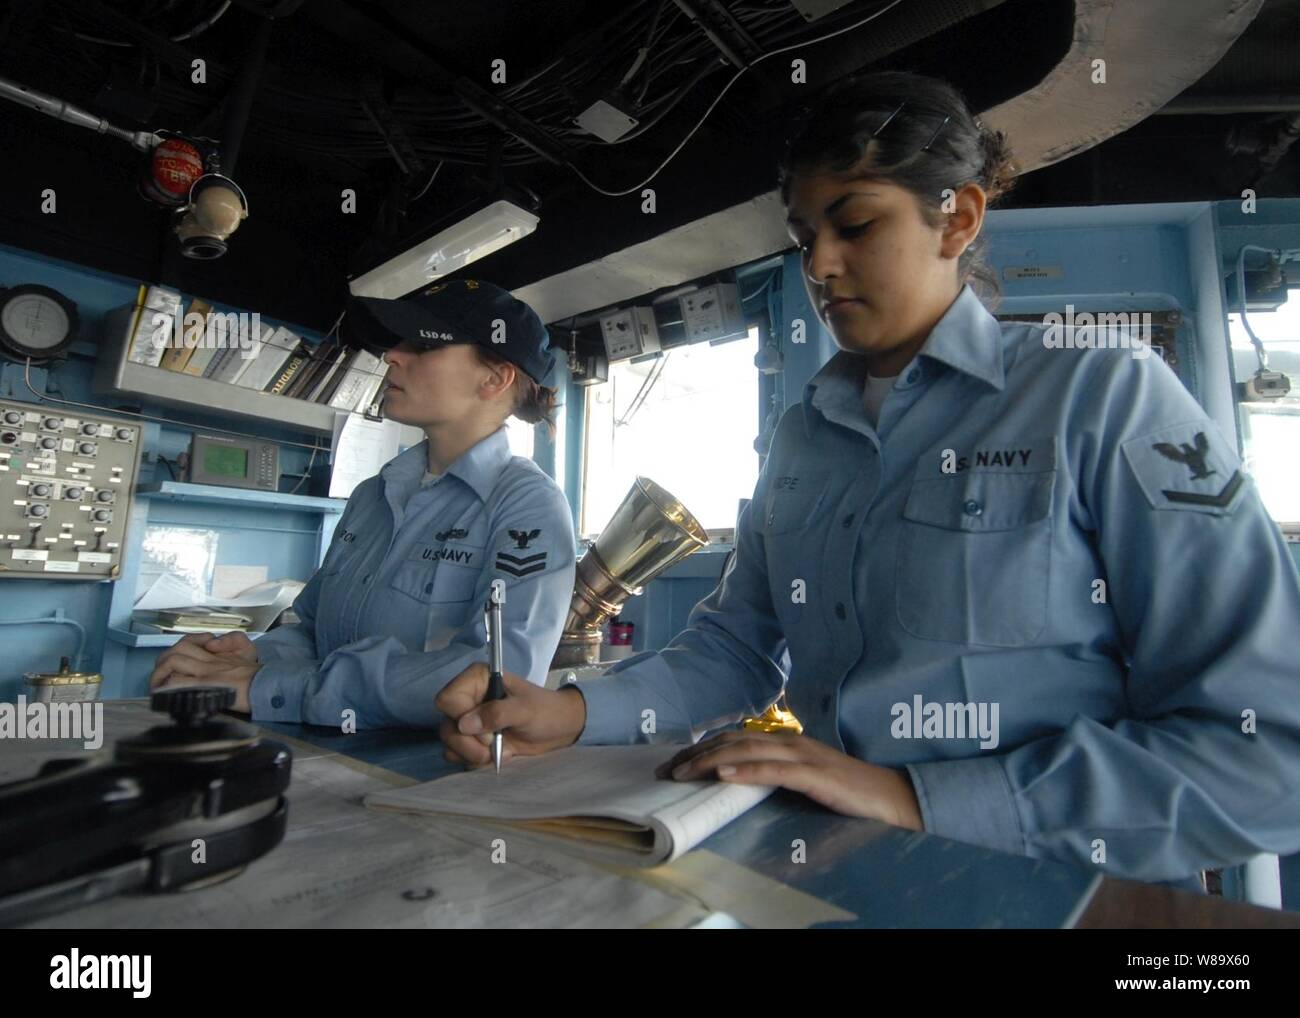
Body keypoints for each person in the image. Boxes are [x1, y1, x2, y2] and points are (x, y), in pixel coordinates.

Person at [436, 70, 1300, 888]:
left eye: (855, 226)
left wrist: (916, 797)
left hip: (1060, 892)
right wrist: (572, 712)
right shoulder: (804, 435)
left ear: (957, 220)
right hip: (836, 875)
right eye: (805, 236)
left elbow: (1268, 752)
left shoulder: (1102, 395)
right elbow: (736, 648)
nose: (818, 266)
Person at [149, 279, 577, 728]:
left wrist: (272, 687)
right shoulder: (372, 494)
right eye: (397, 343)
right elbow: (314, 632)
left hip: (427, 782)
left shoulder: (527, 507)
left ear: (494, 377)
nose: (392, 355)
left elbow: (495, 676)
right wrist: (253, 654)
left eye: (422, 346)